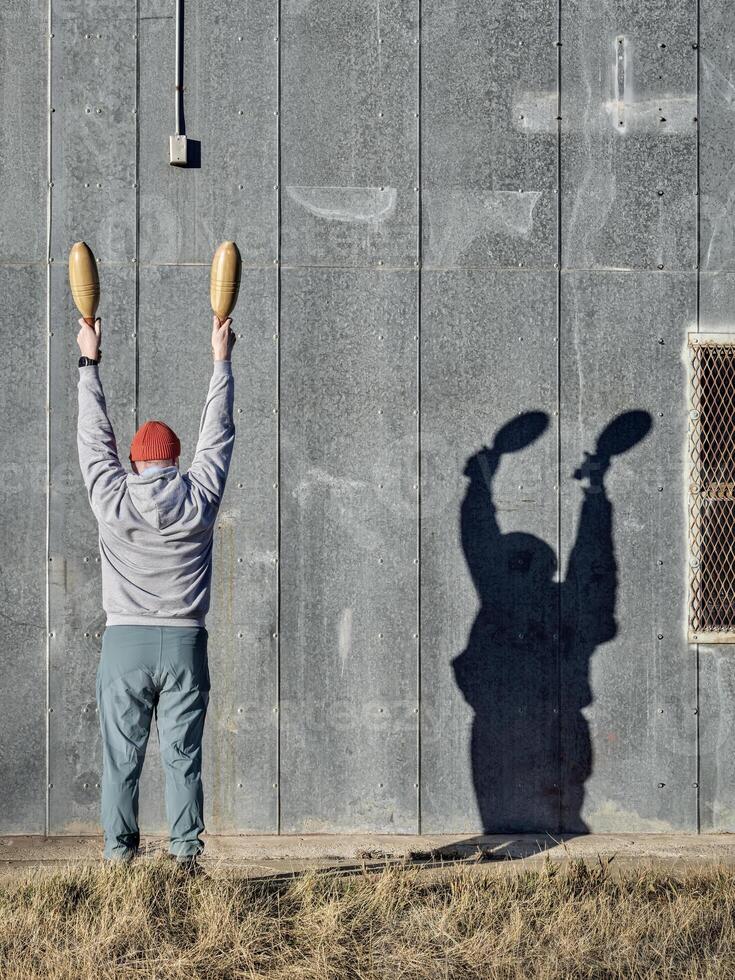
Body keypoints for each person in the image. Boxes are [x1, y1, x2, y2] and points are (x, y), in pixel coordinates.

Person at [76, 313, 236, 865]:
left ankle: (120, 861)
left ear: (134, 463)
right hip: (186, 642)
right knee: (183, 758)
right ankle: (185, 858)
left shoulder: (112, 498)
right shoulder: (199, 499)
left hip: (125, 645)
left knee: (121, 758)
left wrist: (89, 362)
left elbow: (93, 438)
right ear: (174, 462)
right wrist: (222, 360)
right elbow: (219, 436)